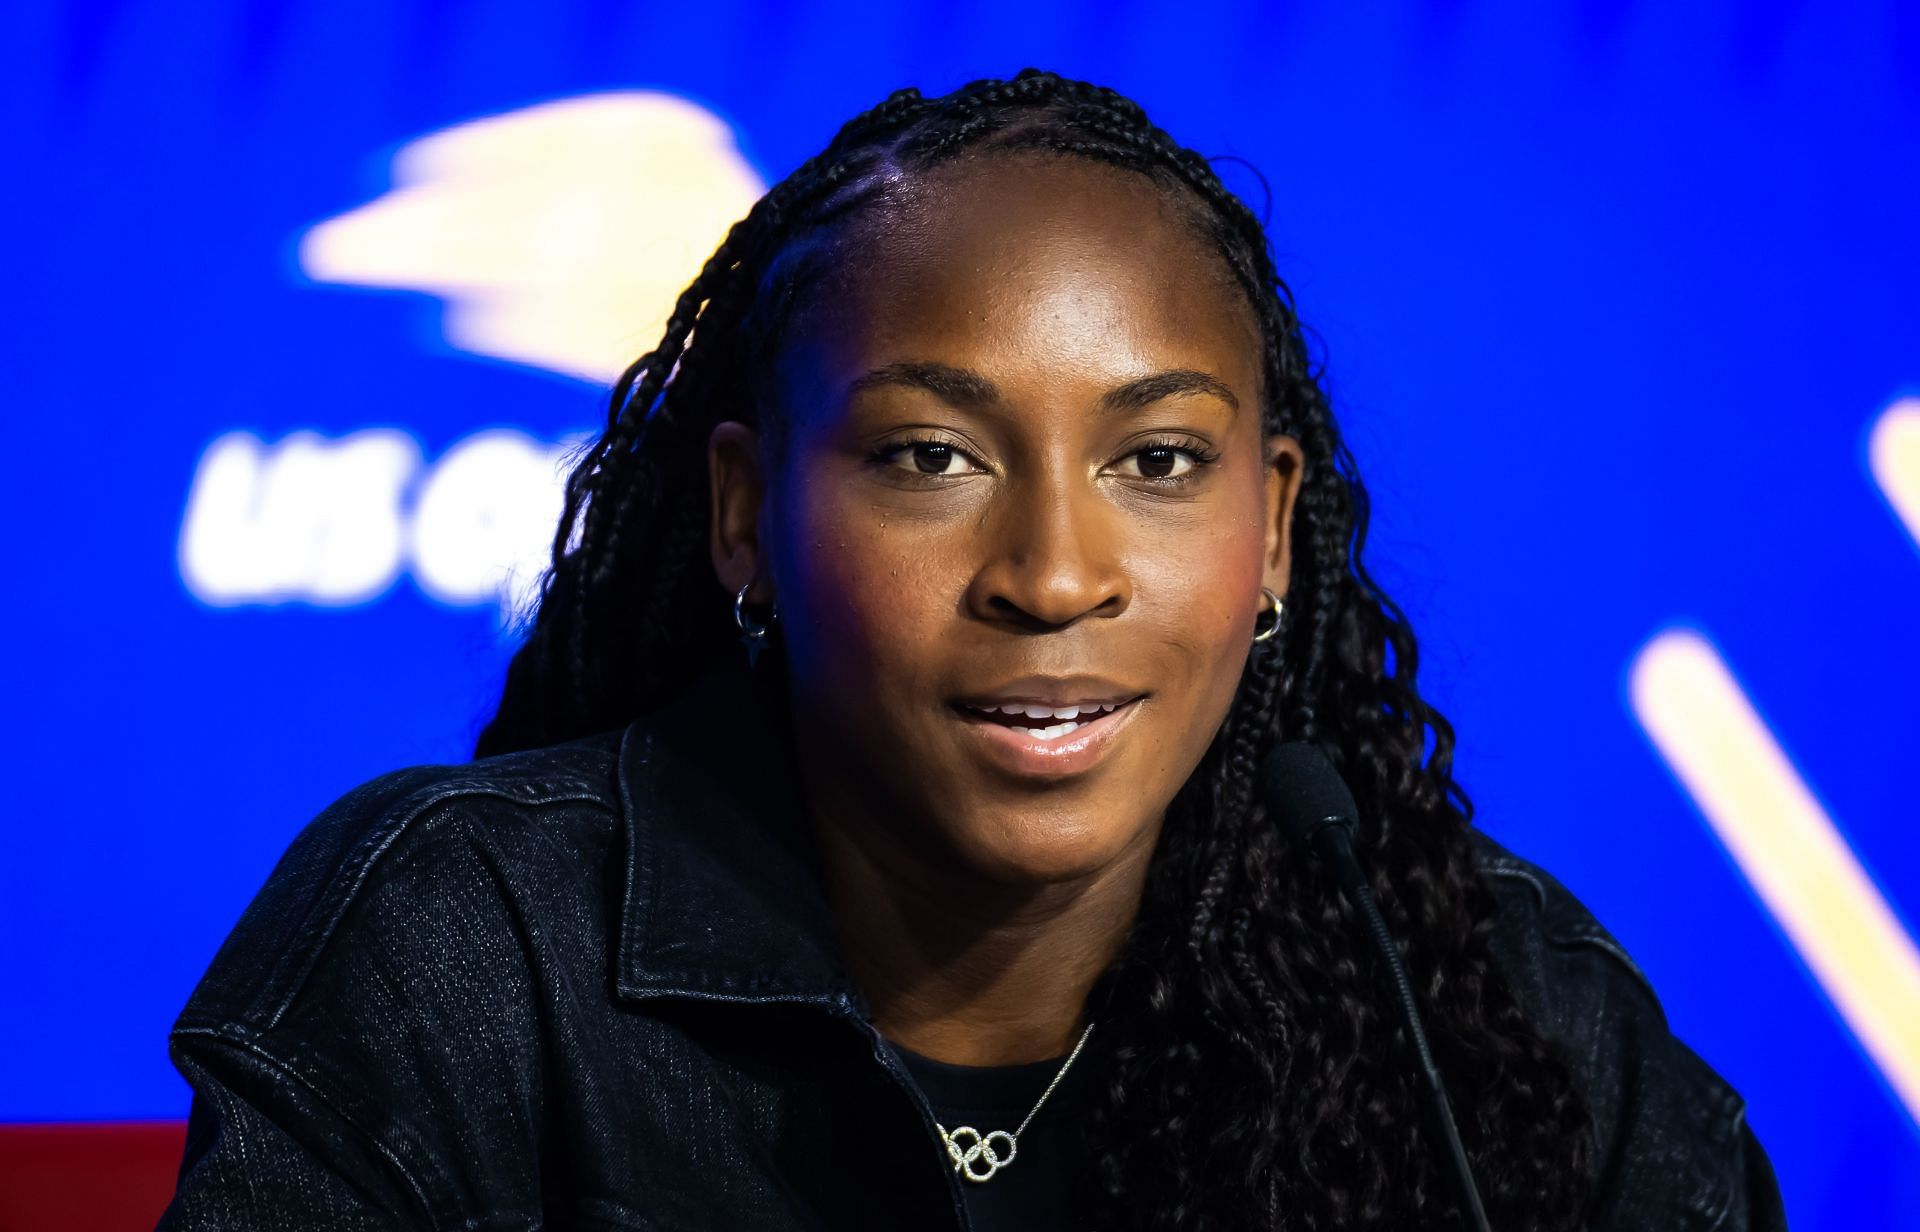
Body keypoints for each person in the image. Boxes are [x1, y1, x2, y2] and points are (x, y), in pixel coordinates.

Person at [156, 71, 1787, 1230]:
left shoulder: (1489, 1016)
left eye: (1157, 462)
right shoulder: (470, 953)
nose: (1055, 574)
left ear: (1271, 531)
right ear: (745, 517)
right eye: (930, 457)